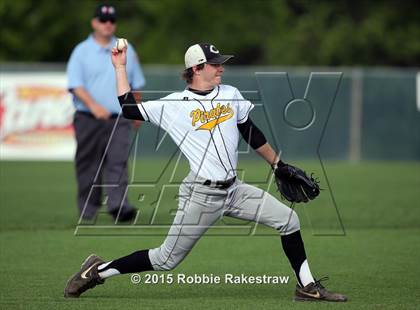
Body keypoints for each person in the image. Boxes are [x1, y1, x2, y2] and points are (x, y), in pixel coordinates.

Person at [64, 43, 347, 302]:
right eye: (214, 64)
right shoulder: (174, 105)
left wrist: (277, 164)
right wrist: (120, 67)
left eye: (220, 63)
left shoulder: (230, 94)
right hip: (201, 194)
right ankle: (96, 271)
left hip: (235, 190)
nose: (221, 67)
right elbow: (128, 108)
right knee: (165, 260)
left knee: (289, 220)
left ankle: (306, 287)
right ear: (196, 69)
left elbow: (249, 131)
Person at [67, 4, 145, 222]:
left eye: (111, 20)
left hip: (118, 118)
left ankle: (119, 206)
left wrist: (136, 112)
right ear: (94, 23)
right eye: (103, 20)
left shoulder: (126, 49)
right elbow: (75, 85)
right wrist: (93, 105)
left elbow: (136, 83)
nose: (107, 24)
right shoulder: (81, 51)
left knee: (118, 161)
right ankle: (88, 209)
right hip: (87, 118)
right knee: (88, 165)